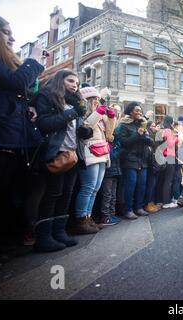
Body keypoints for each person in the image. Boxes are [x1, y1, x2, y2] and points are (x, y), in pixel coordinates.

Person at [0, 11, 44, 270]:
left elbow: (18, 89)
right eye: (6, 32)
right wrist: (33, 59)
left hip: (9, 135)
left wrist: (30, 106)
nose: (12, 37)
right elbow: (14, 82)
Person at [34, 69, 88, 252]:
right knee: (52, 194)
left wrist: (84, 131)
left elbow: (76, 129)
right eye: (71, 81)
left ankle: (59, 232)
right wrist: (73, 113)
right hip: (55, 153)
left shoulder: (75, 103)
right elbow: (45, 124)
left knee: (67, 193)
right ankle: (43, 237)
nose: (75, 85)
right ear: (60, 80)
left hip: (73, 154)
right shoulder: (47, 96)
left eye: (77, 83)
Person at [73, 86, 116, 234]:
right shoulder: (82, 113)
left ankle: (88, 217)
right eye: (94, 99)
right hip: (88, 152)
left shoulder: (99, 116)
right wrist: (98, 114)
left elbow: (110, 134)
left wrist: (111, 118)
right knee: (88, 187)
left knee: (95, 189)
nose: (97, 101)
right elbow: (85, 127)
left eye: (98, 99)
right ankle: (80, 219)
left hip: (102, 153)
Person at [117, 102, 154, 219]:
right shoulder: (123, 125)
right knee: (130, 185)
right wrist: (137, 135)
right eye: (137, 110)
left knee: (141, 185)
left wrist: (146, 136)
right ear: (130, 111)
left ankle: (138, 207)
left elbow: (151, 142)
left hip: (142, 160)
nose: (139, 113)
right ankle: (128, 210)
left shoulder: (142, 125)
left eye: (140, 111)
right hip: (129, 159)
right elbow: (124, 142)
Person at [98, 104, 123, 226]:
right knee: (107, 194)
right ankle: (105, 217)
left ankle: (111, 215)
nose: (116, 113)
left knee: (113, 193)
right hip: (108, 165)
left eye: (118, 111)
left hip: (116, 166)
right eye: (114, 110)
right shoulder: (106, 129)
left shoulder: (116, 131)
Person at [158, 116, 179, 209]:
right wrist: (177, 138)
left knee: (164, 180)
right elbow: (170, 144)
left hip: (164, 156)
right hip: (169, 156)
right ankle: (167, 202)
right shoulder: (168, 131)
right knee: (168, 180)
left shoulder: (162, 130)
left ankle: (163, 200)